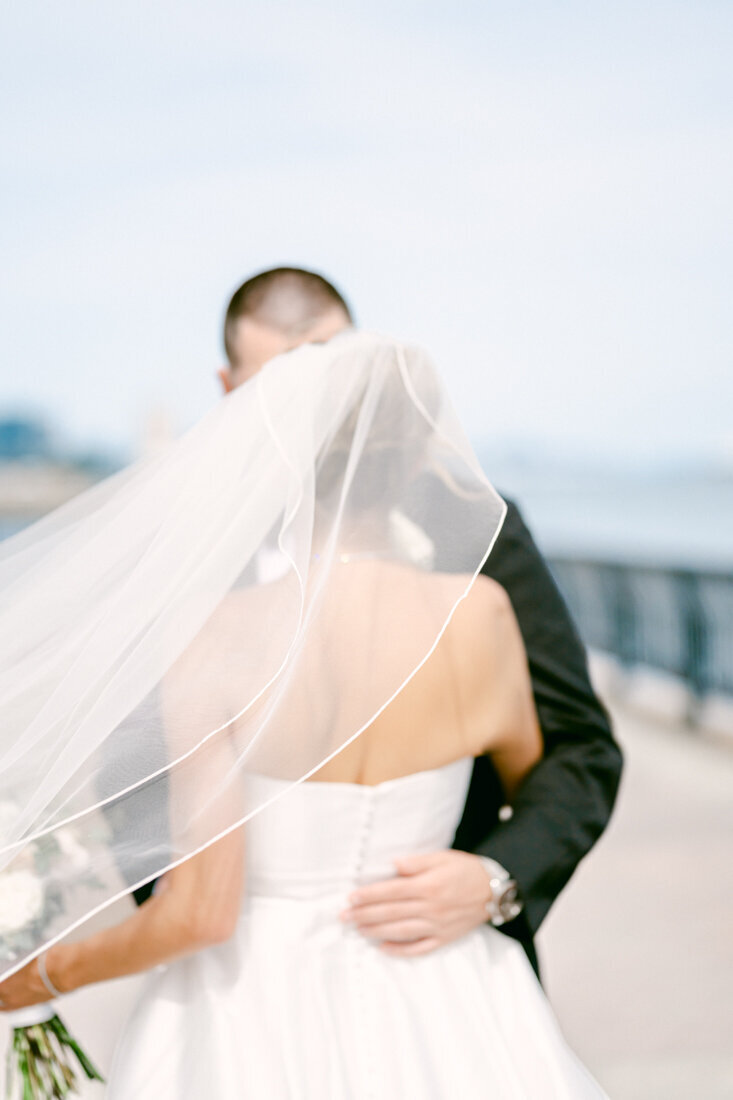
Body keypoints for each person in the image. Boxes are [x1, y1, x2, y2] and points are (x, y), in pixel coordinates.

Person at [0, 272, 619, 1097]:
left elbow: (578, 752)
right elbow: (125, 769)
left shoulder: (217, 629)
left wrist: (494, 875)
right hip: (412, 995)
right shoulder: (474, 614)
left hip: (273, 979)